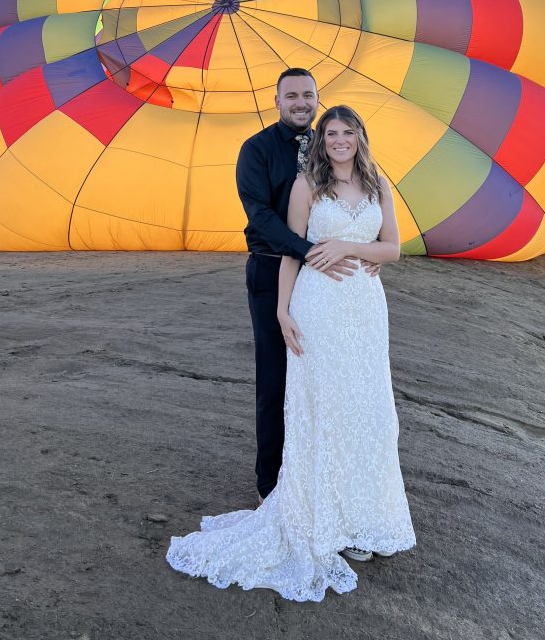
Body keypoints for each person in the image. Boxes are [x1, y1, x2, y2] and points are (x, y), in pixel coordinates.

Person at [166, 105, 415, 601]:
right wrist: (282, 311)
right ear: (321, 140)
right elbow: (288, 251)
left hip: (364, 311)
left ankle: (363, 516)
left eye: (348, 132)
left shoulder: (378, 183)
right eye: (331, 133)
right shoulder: (308, 185)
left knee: (366, 409)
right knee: (323, 407)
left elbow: (392, 249)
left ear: (361, 137)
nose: (339, 140)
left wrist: (346, 245)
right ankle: (326, 518)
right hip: (317, 306)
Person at [233, 68, 368, 505]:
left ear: (316, 99)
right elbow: (261, 216)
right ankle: (270, 487)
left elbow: (355, 204)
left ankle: (315, 480)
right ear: (276, 101)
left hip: (327, 277)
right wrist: (311, 251)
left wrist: (362, 252)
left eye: (308, 95)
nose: (300, 102)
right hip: (274, 269)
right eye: (291, 95)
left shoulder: (330, 147)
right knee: (275, 380)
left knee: (322, 380)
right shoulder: (255, 151)